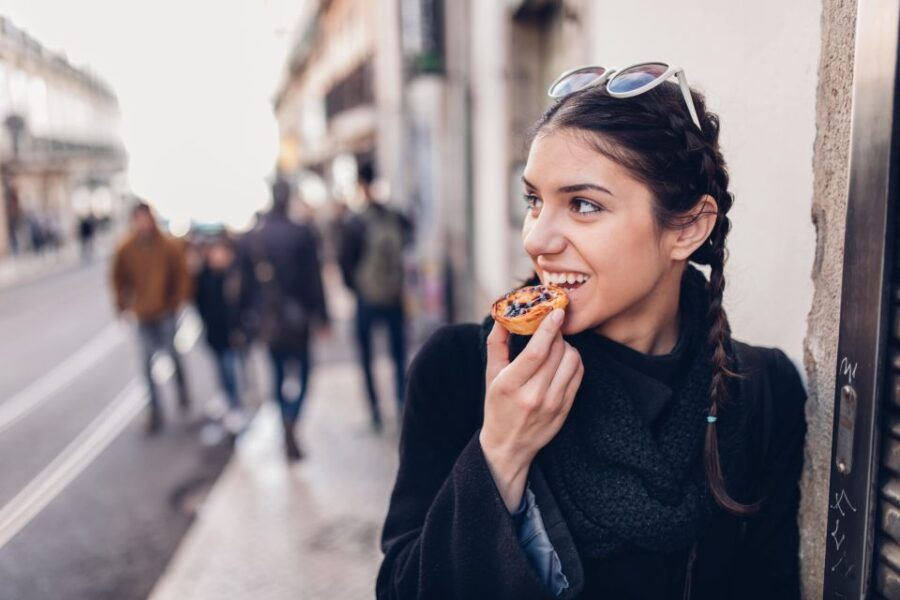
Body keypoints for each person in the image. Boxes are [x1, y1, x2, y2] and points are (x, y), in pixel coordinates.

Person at [377, 64, 807, 599]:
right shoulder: (462, 372)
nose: (537, 239)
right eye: (534, 200)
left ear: (689, 228)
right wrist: (500, 454)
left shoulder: (759, 391)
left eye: (583, 205)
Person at [240, 178, 329, 461]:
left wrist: (247, 321)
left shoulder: (254, 236)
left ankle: (284, 421)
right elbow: (315, 279)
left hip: (268, 321)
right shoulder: (301, 233)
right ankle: (292, 418)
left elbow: (244, 287)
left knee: (277, 374)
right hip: (298, 317)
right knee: (303, 373)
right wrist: (323, 316)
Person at [338, 162, 412, 431]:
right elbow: (409, 239)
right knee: (398, 355)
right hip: (394, 295)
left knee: (367, 357)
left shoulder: (354, 222)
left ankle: (375, 413)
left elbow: (344, 263)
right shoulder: (394, 215)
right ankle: (403, 405)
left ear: (360, 184)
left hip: (366, 299)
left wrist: (357, 288)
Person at [111, 202, 192, 433]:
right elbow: (118, 278)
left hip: (165, 311)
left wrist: (177, 301)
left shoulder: (167, 245)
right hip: (142, 313)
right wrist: (121, 305)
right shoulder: (126, 248)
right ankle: (154, 412)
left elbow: (181, 274)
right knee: (146, 364)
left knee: (173, 356)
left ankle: (182, 394)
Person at [195, 233, 244, 423]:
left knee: (232, 369)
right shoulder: (204, 276)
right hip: (213, 332)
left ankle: (237, 404)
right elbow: (199, 302)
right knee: (220, 369)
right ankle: (227, 398)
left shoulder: (233, 276)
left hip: (231, 333)